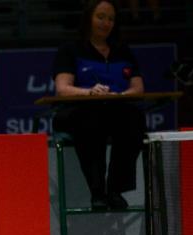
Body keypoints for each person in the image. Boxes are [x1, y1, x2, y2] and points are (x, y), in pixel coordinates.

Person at [52, 0, 145, 210]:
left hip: (116, 108)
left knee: (134, 120)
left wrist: (120, 95)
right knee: (91, 122)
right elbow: (63, 88)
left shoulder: (123, 51)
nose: (106, 23)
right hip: (81, 110)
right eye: (100, 17)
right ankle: (97, 191)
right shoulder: (71, 50)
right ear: (88, 19)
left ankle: (115, 190)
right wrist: (89, 92)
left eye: (111, 19)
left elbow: (138, 88)